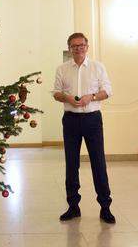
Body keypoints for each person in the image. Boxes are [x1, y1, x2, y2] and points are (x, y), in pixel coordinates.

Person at [52, 33, 116, 224]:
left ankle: (105, 207)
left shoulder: (98, 67)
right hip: (70, 120)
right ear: (69, 48)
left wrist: (92, 97)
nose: (78, 48)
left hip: (92, 120)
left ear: (87, 46)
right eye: (74, 46)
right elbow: (56, 93)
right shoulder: (62, 69)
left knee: (98, 163)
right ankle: (73, 206)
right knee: (71, 164)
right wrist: (67, 98)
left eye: (81, 45)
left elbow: (108, 91)